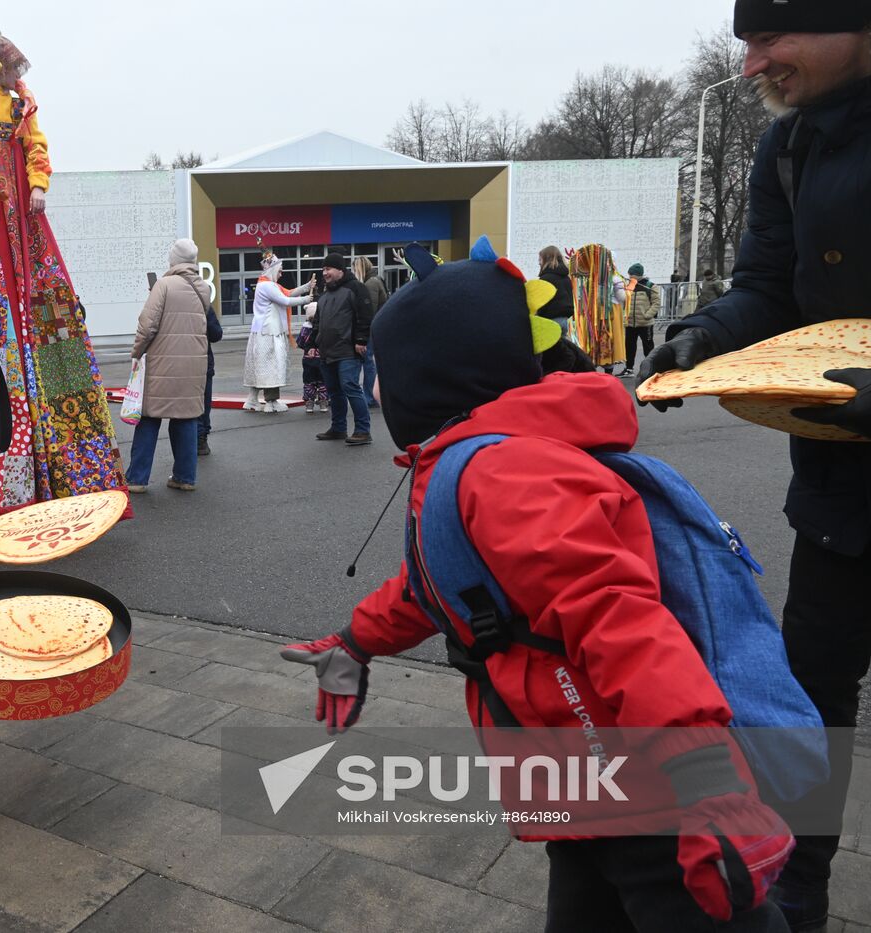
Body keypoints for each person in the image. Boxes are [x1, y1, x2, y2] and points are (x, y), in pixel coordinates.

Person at [285, 238, 794, 931]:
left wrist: (706, 782)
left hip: (644, 788)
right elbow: (444, 580)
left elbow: (617, 620)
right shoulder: (473, 463)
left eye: (382, 365)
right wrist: (357, 640)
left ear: (431, 372)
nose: (373, 382)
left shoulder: (503, 475)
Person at [637, 6, 871, 929]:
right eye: (745, 40)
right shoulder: (787, 151)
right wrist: (704, 337)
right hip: (836, 487)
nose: (752, 62)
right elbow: (767, 289)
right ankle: (802, 879)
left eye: (774, 36)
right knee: (813, 694)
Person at [0, 0, 128, 540]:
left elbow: (38, 149)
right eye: (13, 68)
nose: (19, 76)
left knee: (44, 309)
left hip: (24, 224)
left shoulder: (23, 107)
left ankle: (67, 471)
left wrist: (38, 185)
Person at [126, 239, 211, 493]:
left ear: (173, 259)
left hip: (162, 363)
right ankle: (185, 478)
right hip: (194, 365)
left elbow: (148, 325)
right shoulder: (203, 288)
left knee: (149, 418)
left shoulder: (163, 284)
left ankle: (137, 479)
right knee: (185, 418)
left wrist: (136, 352)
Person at [313, 252, 374, 445]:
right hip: (327, 351)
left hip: (348, 350)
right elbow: (317, 322)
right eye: (323, 269)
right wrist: (312, 345)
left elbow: (365, 316)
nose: (325, 273)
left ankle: (363, 431)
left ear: (340, 270)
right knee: (334, 392)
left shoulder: (356, 288)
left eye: (328, 269)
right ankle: (338, 428)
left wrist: (361, 340)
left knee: (350, 387)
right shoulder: (325, 294)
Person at [243, 249, 312, 412]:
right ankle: (271, 402)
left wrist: (306, 287)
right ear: (273, 270)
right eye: (280, 271)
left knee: (259, 367)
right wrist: (306, 299)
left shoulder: (265, 284)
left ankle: (252, 399)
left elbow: (286, 293)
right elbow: (286, 299)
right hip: (269, 332)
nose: (281, 274)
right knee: (272, 366)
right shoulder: (267, 286)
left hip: (262, 331)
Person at [353, 257, 389, 407]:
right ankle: (370, 395)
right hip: (377, 328)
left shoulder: (370, 284)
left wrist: (362, 335)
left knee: (368, 362)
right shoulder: (376, 280)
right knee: (369, 362)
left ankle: (369, 397)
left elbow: (369, 311)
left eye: (355, 268)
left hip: (371, 329)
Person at [620, 262, 660, 377]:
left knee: (648, 347)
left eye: (631, 275)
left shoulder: (650, 286)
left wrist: (647, 315)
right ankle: (629, 369)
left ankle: (651, 369)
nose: (629, 277)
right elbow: (624, 301)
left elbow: (656, 303)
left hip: (645, 323)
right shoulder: (629, 286)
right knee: (629, 347)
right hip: (630, 323)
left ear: (637, 275)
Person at [198, 298, 223, 456]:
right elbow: (216, 334)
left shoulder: (167, 301)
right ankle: (201, 439)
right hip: (202, 361)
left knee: (181, 407)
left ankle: (184, 443)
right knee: (203, 403)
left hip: (176, 365)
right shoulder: (202, 303)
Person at [537, 245, 576, 338]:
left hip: (550, 321)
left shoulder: (545, 279)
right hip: (564, 320)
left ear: (546, 259)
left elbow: (542, 303)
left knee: (550, 351)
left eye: (540, 259)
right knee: (561, 350)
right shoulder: (566, 278)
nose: (539, 262)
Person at [296, 303, 328, 413]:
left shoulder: (305, 329)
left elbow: (300, 343)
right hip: (322, 359)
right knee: (323, 381)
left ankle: (309, 402)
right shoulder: (323, 327)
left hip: (308, 360)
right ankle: (323, 401)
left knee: (309, 382)